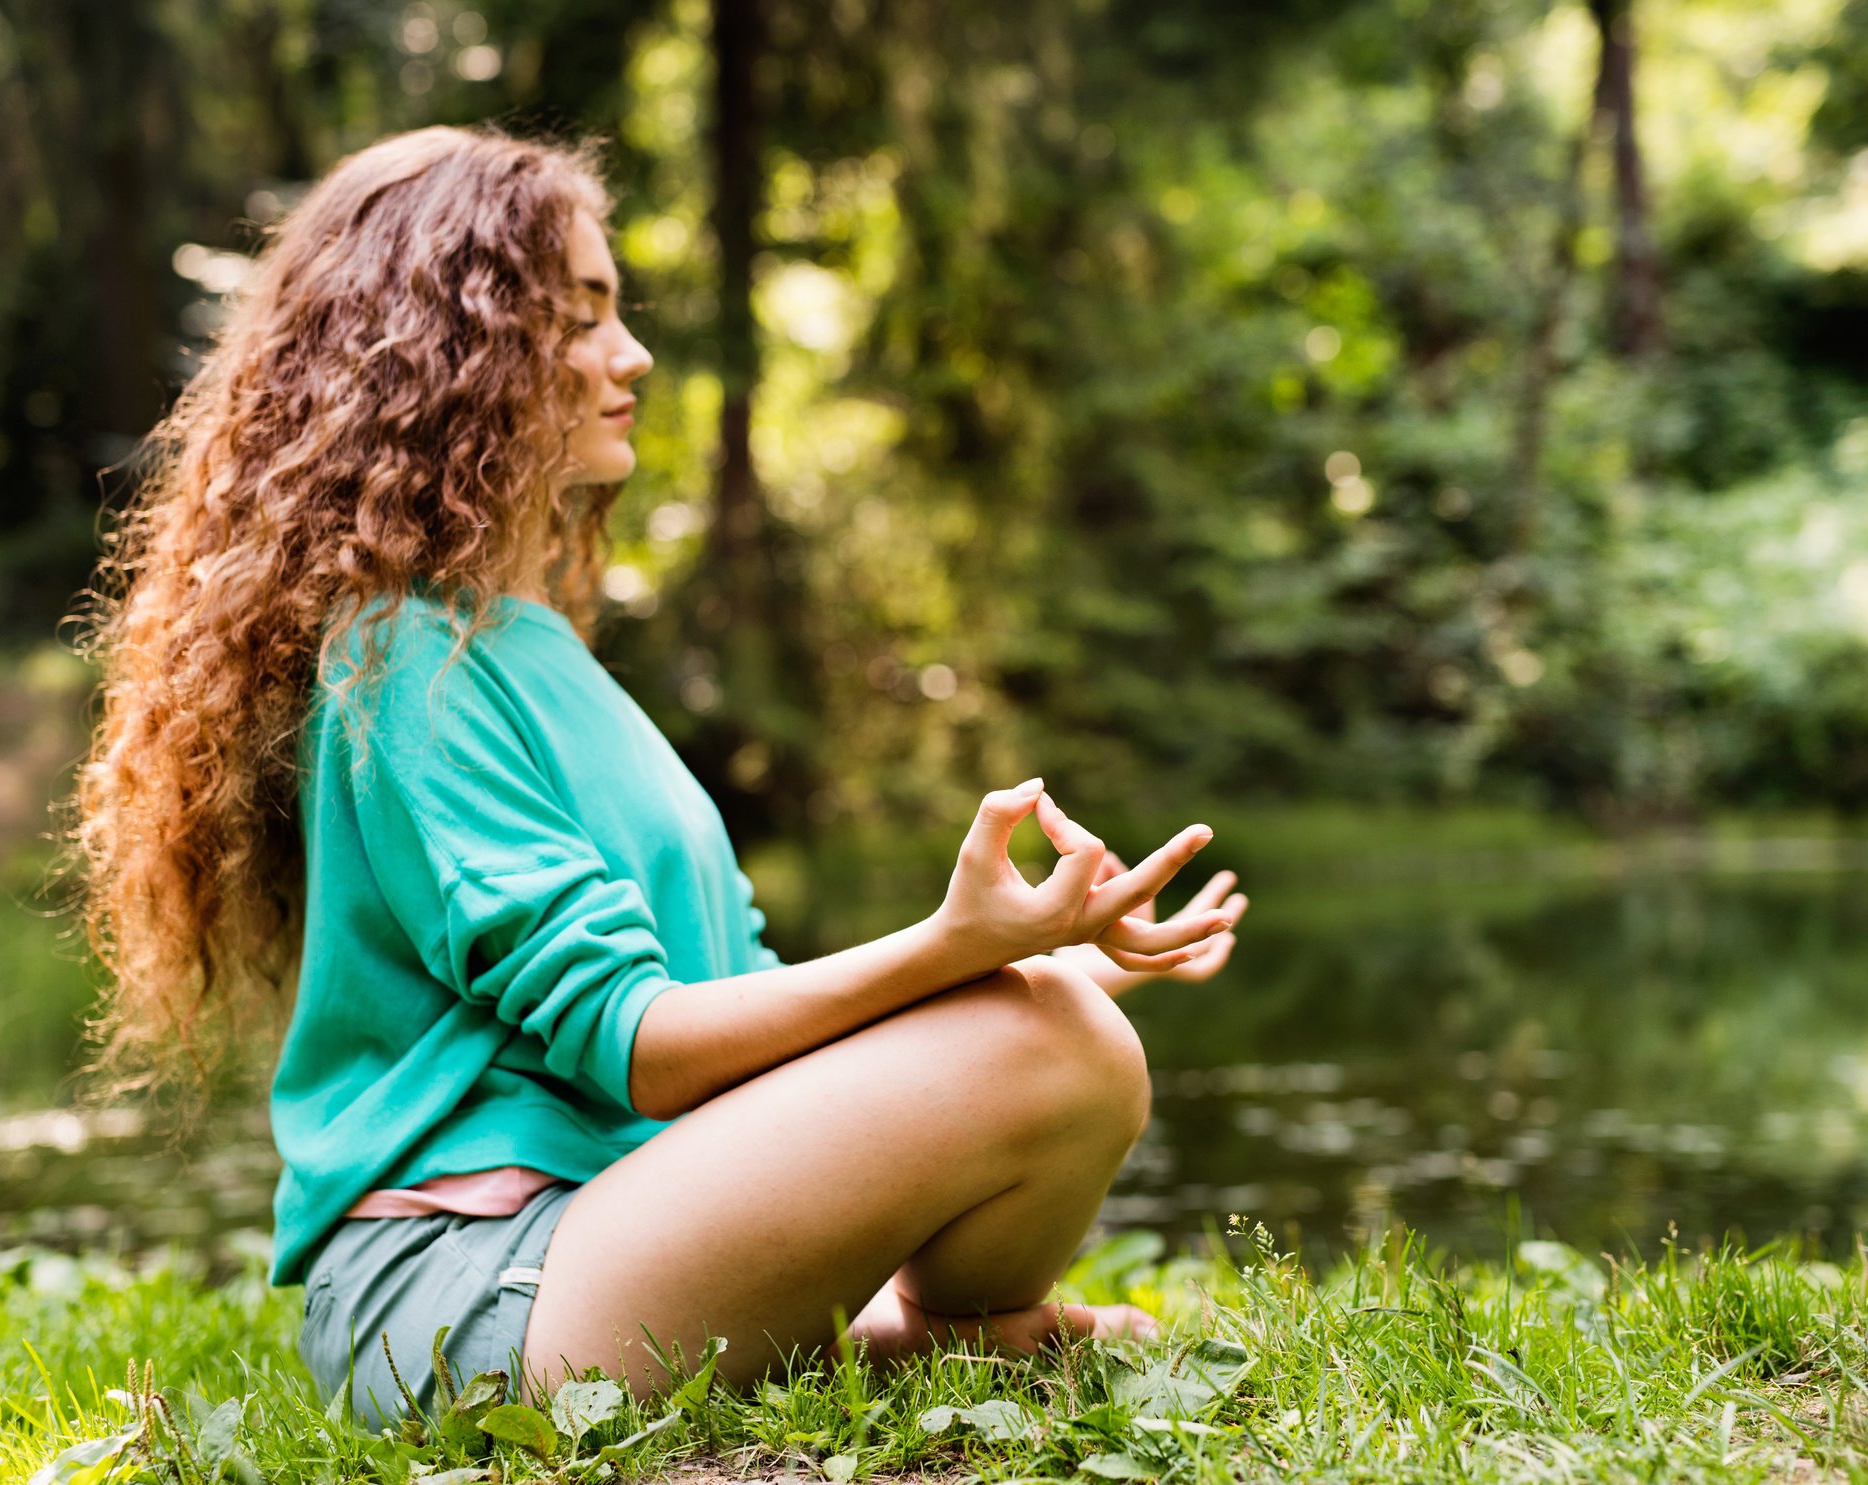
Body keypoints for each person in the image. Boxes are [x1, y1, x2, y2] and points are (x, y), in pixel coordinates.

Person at [72, 125, 1249, 1426]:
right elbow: (641, 1048)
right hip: (458, 1299)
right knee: (1058, 1047)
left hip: (599, 1233)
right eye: (574, 322)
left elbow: (735, 1005)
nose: (629, 356)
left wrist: (1032, 954)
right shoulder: (402, 658)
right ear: (448, 356)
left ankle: (908, 1339)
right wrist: (948, 953)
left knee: (1061, 1027)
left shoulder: (535, 648)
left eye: (617, 315)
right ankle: (919, 1337)